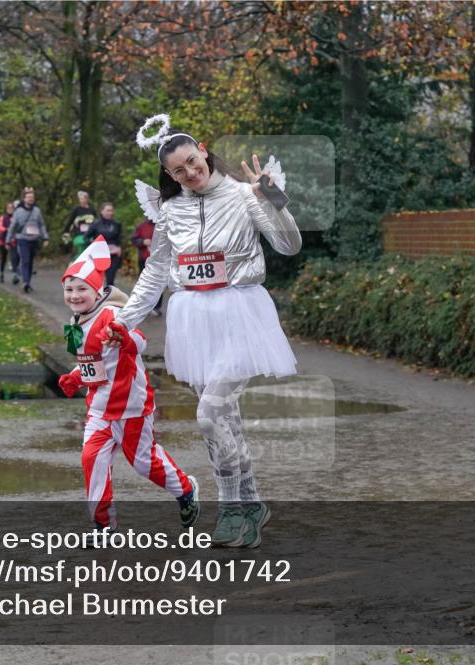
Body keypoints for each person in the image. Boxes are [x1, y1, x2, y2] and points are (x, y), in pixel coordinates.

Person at [102, 115, 301, 548]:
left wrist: (273, 200)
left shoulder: (247, 196)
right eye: (178, 171)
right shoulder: (171, 210)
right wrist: (122, 320)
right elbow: (155, 273)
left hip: (239, 312)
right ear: (169, 175)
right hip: (192, 319)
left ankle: (231, 510)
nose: (189, 174)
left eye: (193, 162)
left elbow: (289, 246)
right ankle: (250, 506)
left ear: (205, 151)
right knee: (224, 421)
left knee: (210, 416)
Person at [57, 235, 199, 535]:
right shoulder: (76, 321)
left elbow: (140, 340)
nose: (74, 295)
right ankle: (102, 525)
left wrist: (123, 337)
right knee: (91, 459)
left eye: (82, 288)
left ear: (97, 292)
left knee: (144, 464)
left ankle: (186, 490)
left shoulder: (111, 314)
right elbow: (93, 361)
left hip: (131, 406)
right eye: (69, 289)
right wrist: (75, 376)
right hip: (99, 408)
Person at [6, 187, 49, 293]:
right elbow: (13, 226)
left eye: (32, 197)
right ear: (24, 199)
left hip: (34, 240)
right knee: (25, 260)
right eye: (28, 197)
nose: (31, 199)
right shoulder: (18, 211)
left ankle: (28, 282)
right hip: (22, 239)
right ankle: (25, 282)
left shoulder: (37, 211)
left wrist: (45, 237)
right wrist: (8, 239)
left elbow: (42, 225)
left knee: (30, 262)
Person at [131, 216, 162, 316]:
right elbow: (134, 239)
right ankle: (143, 306)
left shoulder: (164, 224)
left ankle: (156, 307)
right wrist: (143, 242)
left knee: (158, 283)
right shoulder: (141, 226)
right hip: (144, 259)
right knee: (145, 283)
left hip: (160, 260)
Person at [87, 202, 122, 287]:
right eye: (107, 210)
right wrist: (93, 246)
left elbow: (119, 238)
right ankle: (98, 298)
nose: (110, 212)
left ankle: (110, 298)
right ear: (102, 211)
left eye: (111, 210)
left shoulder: (117, 224)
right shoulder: (95, 224)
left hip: (113, 254)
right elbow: (86, 237)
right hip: (100, 254)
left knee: (110, 279)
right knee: (99, 279)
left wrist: (119, 247)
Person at [62, 190, 97, 259]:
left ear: (87, 199)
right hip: (79, 234)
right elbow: (70, 221)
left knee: (91, 251)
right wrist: (65, 232)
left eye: (84, 198)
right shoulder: (76, 210)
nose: (82, 200)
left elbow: (96, 222)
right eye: (80, 199)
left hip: (90, 234)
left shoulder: (92, 210)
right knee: (81, 249)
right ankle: (75, 265)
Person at [0, 201, 18, 283]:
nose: (10, 209)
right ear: (6, 209)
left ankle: (14, 275)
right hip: (4, 240)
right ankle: (1, 274)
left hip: (14, 240)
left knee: (14, 257)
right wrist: (6, 229)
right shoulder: (3, 218)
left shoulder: (16, 217)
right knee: (3, 258)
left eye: (12, 208)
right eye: (9, 208)